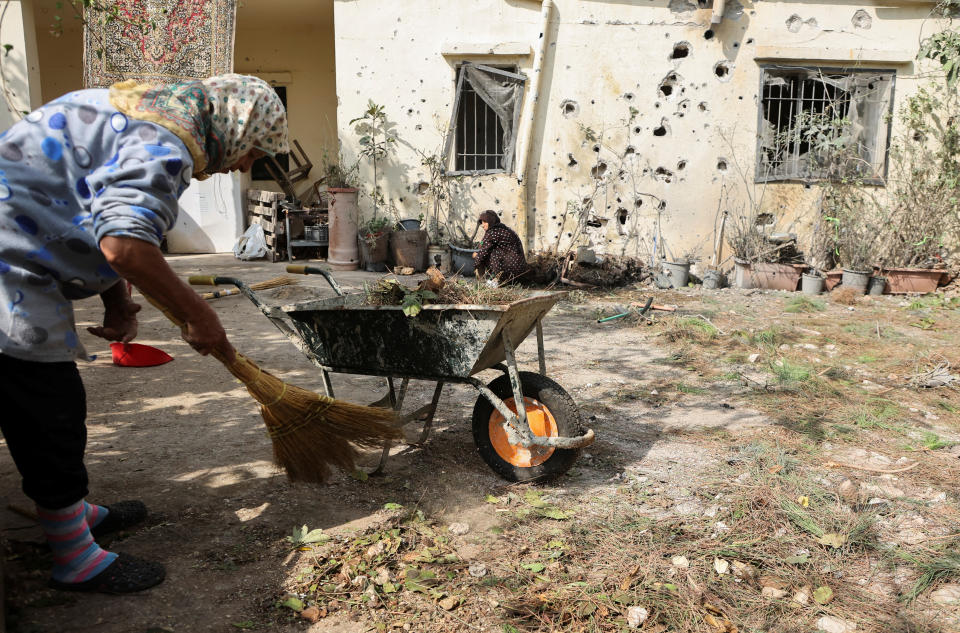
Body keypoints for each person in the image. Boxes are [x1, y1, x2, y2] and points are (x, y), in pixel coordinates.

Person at [0, 74, 289, 594]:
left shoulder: (145, 114)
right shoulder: (162, 139)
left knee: (49, 406)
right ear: (236, 126)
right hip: (8, 272)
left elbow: (94, 208)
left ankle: (72, 514)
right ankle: (75, 558)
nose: (246, 165)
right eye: (254, 152)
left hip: (20, 263)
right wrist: (198, 312)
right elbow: (124, 244)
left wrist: (117, 299)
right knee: (48, 410)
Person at [471, 210, 529, 284]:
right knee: (483, 254)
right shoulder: (503, 228)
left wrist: (476, 262)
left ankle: (493, 280)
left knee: (482, 255)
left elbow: (483, 251)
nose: (482, 225)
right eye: (482, 222)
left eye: (485, 222)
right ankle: (495, 279)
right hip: (519, 270)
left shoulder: (493, 232)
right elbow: (483, 243)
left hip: (508, 270)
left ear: (491, 221)